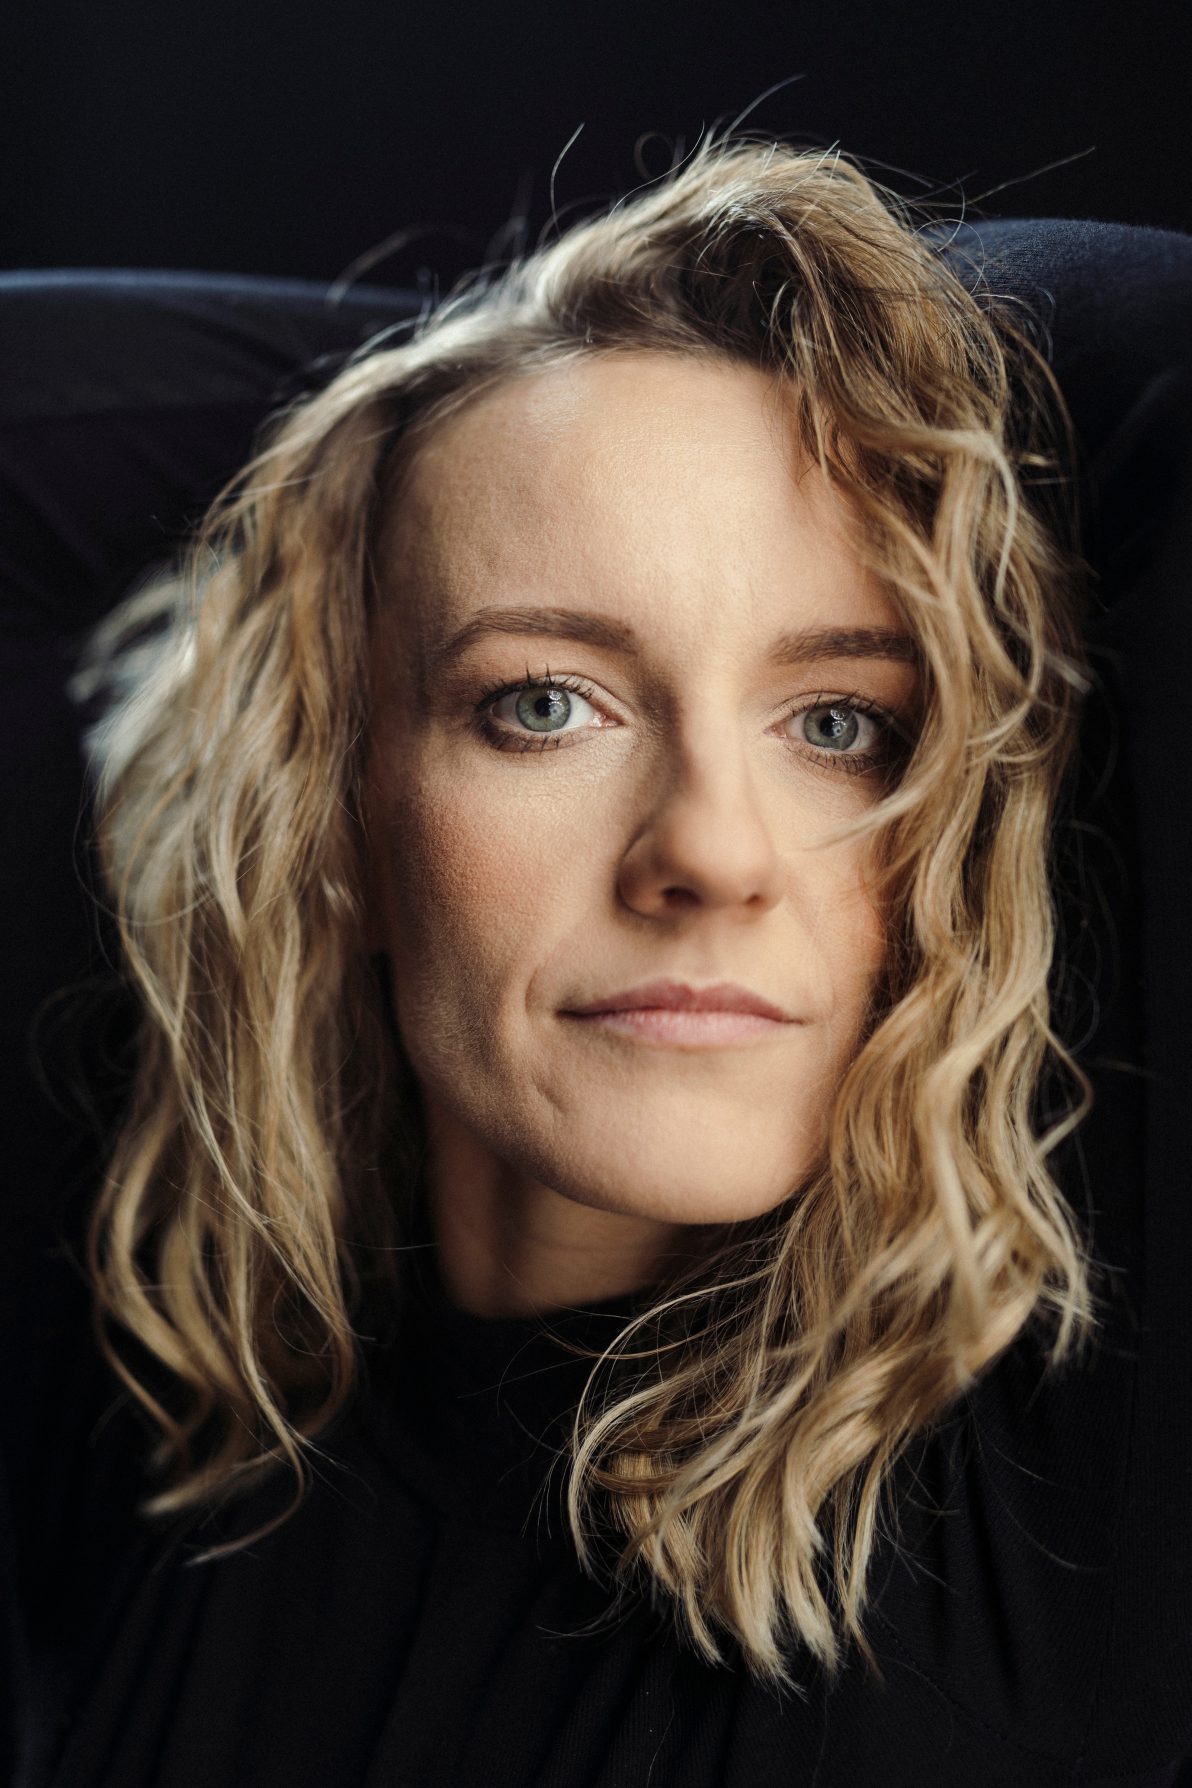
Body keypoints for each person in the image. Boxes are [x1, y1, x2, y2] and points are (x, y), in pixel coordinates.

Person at [5, 131, 1191, 1786]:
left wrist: (695, 362)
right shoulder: (168, 1400)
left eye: (839, 724)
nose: (709, 851)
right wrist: (456, 408)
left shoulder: (1057, 1463)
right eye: (545, 703)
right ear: (340, 811)